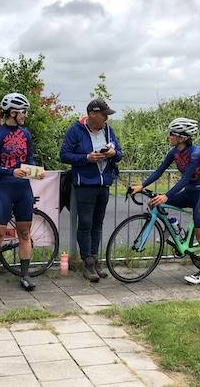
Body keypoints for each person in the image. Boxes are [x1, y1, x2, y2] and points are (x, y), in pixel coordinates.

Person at [130, 118, 200, 285]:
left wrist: (166, 195)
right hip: (190, 192)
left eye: (172, 134)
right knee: (158, 203)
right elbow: (159, 171)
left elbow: (185, 179)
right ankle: (174, 228)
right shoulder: (174, 152)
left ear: (182, 137)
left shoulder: (196, 153)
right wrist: (141, 185)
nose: (169, 136)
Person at [0, 93, 45, 295]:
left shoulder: (25, 134)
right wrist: (11, 171)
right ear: (13, 112)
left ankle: (25, 275)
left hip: (23, 189)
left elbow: (30, 159)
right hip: (3, 189)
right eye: (24, 111)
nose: (26, 115)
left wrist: (35, 171)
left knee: (24, 234)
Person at [60, 99, 123, 282]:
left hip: (104, 184)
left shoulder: (108, 130)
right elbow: (64, 155)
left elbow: (119, 152)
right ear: (92, 114)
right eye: (104, 115)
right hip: (85, 184)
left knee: (98, 224)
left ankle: (95, 259)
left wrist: (113, 154)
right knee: (85, 223)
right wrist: (87, 157)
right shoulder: (75, 130)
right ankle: (87, 262)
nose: (106, 118)